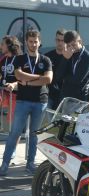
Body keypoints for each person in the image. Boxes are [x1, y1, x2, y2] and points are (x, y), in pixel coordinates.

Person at [0, 29, 53, 176]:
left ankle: (30, 164)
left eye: (36, 41)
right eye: (30, 41)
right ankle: (5, 164)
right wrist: (38, 77)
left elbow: (48, 79)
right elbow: (18, 75)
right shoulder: (20, 59)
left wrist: (27, 82)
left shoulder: (45, 60)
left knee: (34, 135)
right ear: (26, 42)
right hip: (23, 101)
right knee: (15, 132)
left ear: (40, 42)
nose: (33, 44)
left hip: (40, 102)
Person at [0, 35, 22, 161]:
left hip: (16, 96)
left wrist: (13, 84)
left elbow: (24, 79)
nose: (1, 46)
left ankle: (13, 149)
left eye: (2, 44)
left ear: (9, 45)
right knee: (7, 124)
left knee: (15, 126)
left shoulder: (19, 59)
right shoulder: (2, 59)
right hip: (3, 94)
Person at [57, 30, 89, 102]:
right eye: (68, 45)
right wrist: (65, 59)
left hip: (80, 98)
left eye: (73, 45)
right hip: (65, 96)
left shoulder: (87, 57)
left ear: (79, 42)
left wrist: (65, 79)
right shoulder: (67, 54)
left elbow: (77, 80)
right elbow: (58, 76)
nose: (71, 48)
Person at [45, 29, 66, 110]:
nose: (60, 43)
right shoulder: (47, 57)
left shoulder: (71, 57)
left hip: (65, 96)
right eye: (58, 40)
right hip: (49, 95)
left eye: (62, 40)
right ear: (55, 40)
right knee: (51, 121)